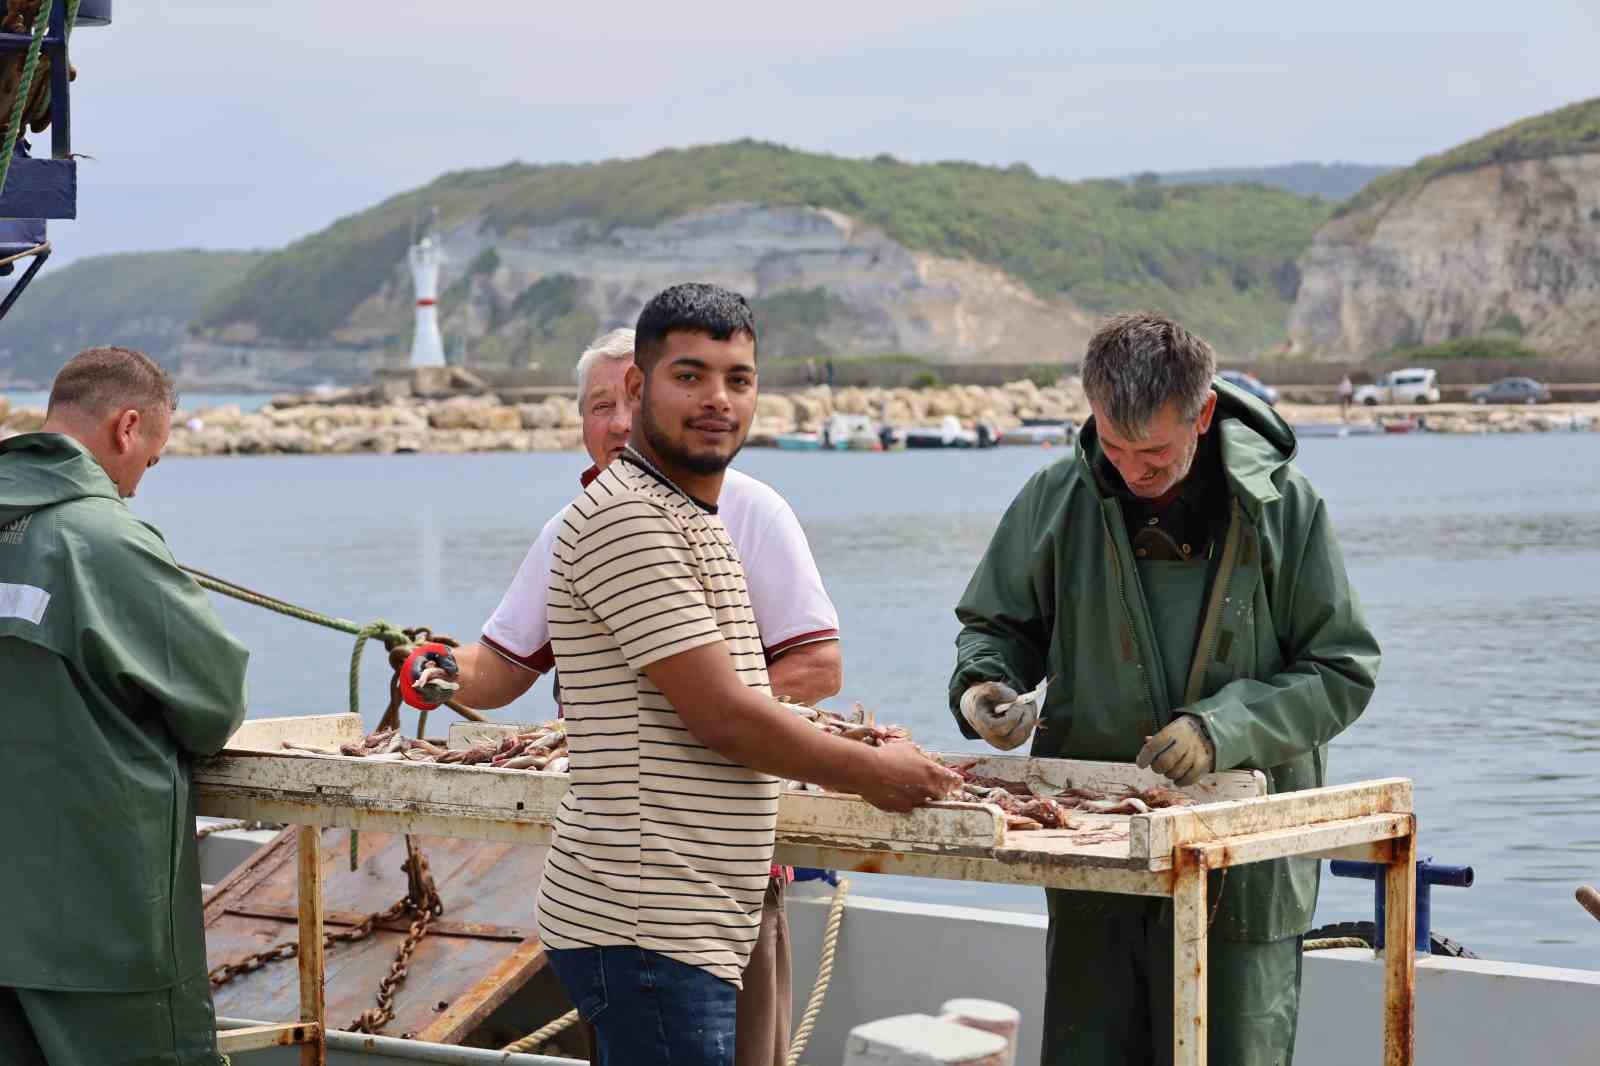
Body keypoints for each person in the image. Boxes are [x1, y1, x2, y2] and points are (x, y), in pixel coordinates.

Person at [538, 283, 958, 1064]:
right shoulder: (628, 520)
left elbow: (763, 693)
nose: (717, 401)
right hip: (647, 923)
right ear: (637, 387)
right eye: (689, 376)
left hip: (685, 921)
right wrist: (872, 773)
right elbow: (726, 716)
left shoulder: (693, 515)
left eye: (738, 379)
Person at [948, 312, 1379, 1066]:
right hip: (1097, 858)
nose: (1128, 471)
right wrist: (984, 687)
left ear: (1203, 414)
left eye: (1151, 453)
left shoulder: (1288, 509)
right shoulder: (1057, 497)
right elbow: (995, 625)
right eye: (1111, 447)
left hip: (1245, 872)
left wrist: (1222, 730)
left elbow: (1342, 669)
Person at [416, 325, 843, 1066]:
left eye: (628, 398)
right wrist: (435, 667)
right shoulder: (576, 525)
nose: (615, 421)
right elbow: (506, 665)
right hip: (620, 874)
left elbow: (816, 666)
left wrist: (702, 716)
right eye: (595, 405)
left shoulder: (750, 510)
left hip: (723, 866)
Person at [0, 347, 250, 1066]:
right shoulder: (104, 540)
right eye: (153, 458)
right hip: (100, 927)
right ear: (127, 426)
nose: (139, 484)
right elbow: (213, 703)